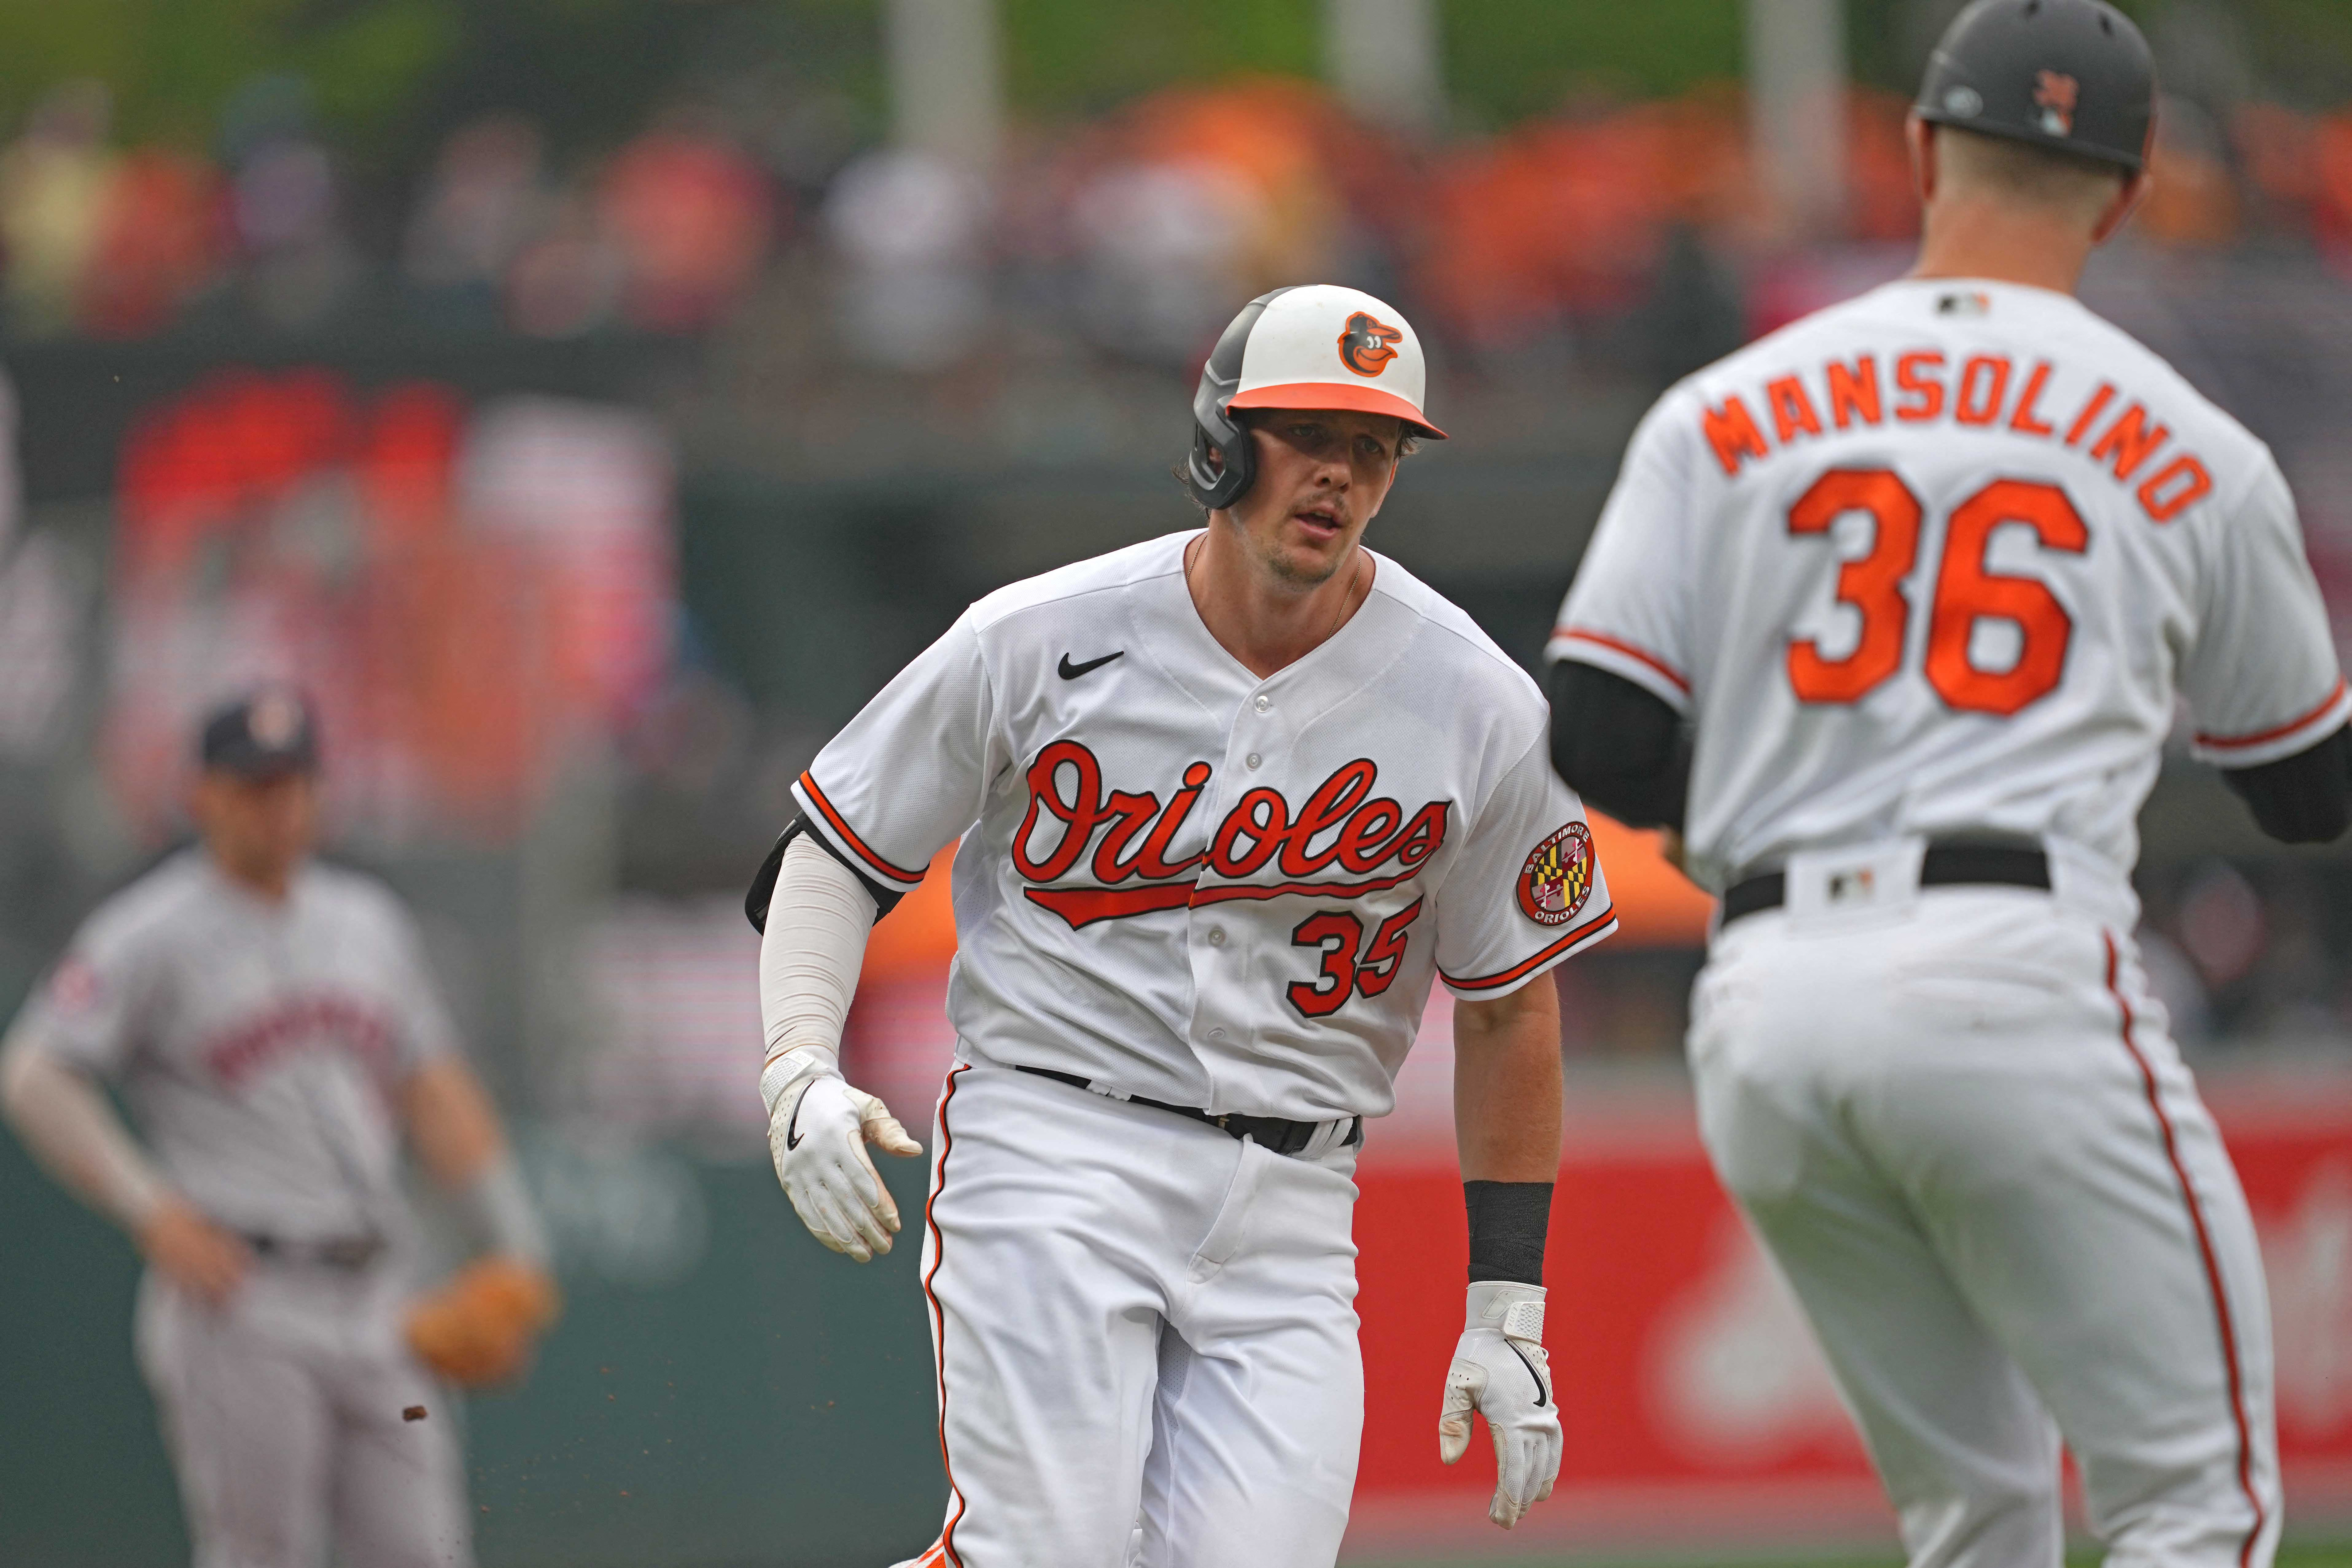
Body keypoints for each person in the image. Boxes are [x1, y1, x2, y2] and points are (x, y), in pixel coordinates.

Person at [1546, 3, 2352, 1564]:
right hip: (2016, 967)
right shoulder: (2191, 440)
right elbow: (2304, 788)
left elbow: (1596, 730)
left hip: (1770, 1002)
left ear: (1918, 149)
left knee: (1971, 1515)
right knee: (2192, 1500)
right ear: (2122, 192)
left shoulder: (1721, 406)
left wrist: (1789, 793)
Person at [746, 284, 1619, 1564]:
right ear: (1220, 439)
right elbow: (835, 850)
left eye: (1371, 447)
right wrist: (796, 1068)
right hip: (1057, 1142)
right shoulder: (1040, 635)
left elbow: (1507, 999)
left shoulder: (1471, 698)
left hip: (1295, 1200)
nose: (1337, 473)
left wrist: (1509, 1305)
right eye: (1304, 433)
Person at [0, 687, 559, 1568]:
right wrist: (152, 1207)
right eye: (256, 784)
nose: (281, 804)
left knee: (428, 1555)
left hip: (381, 1293)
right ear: (205, 795)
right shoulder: (151, 931)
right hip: (244, 1297)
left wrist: (517, 1246)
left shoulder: (366, 920)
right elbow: (35, 1073)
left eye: (295, 782)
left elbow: (433, 1087)